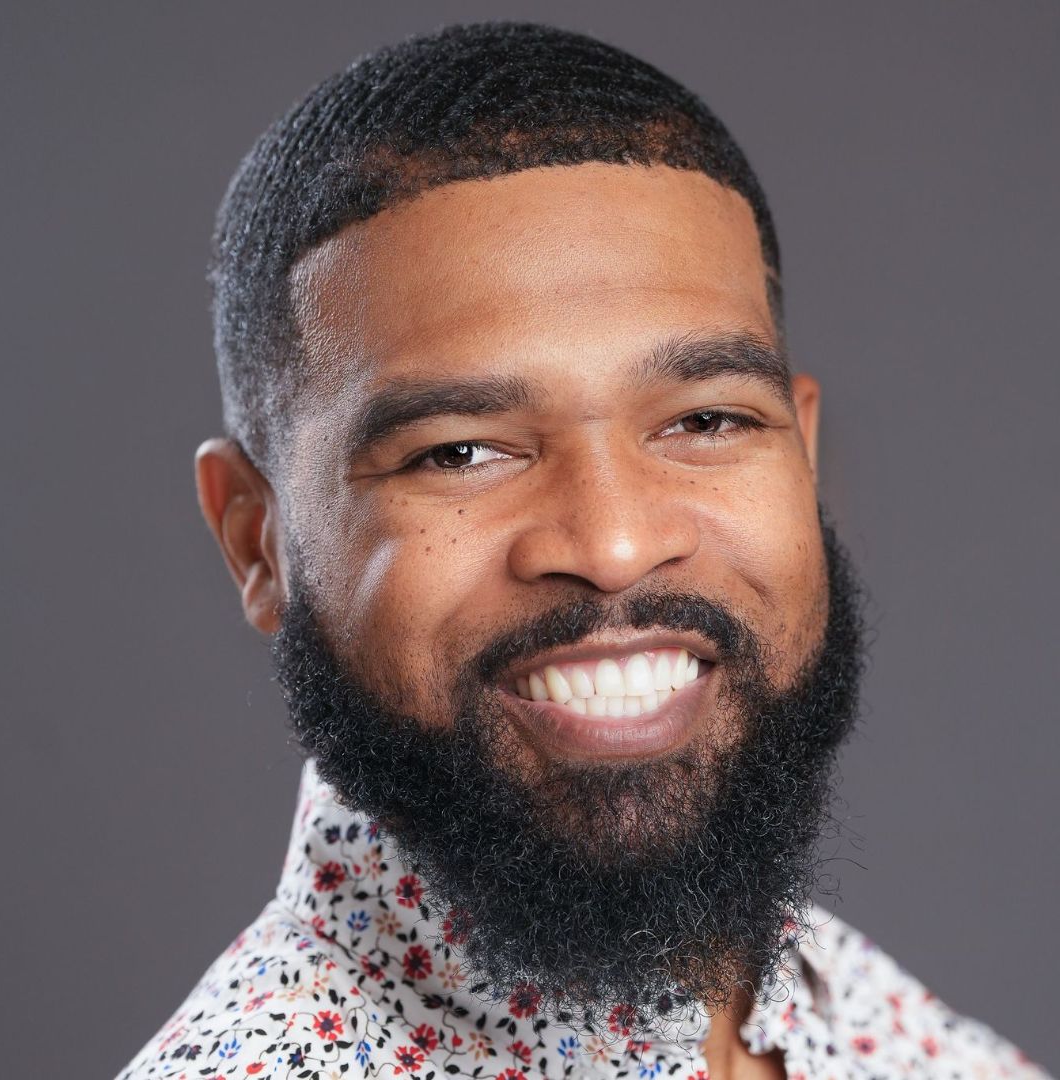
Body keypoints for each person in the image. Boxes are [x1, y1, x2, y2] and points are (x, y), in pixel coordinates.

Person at [117, 22, 1050, 1080]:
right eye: (458, 451)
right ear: (257, 539)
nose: (613, 546)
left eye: (706, 422)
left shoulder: (918, 1048)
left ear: (804, 447)